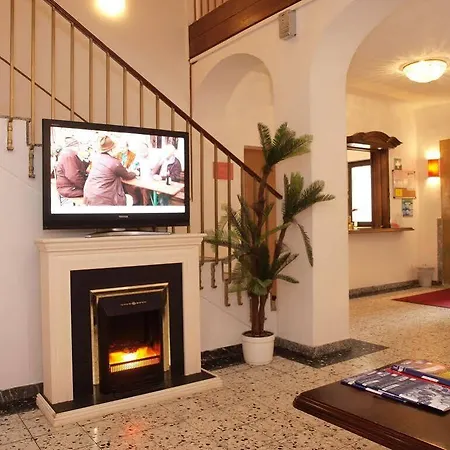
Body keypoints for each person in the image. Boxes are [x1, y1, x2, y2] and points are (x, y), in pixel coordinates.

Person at [84, 136, 136, 206]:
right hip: (104, 199)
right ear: (111, 149)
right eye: (116, 147)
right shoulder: (114, 163)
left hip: (89, 195)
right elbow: (127, 176)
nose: (118, 150)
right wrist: (135, 173)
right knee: (130, 199)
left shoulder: (96, 158)